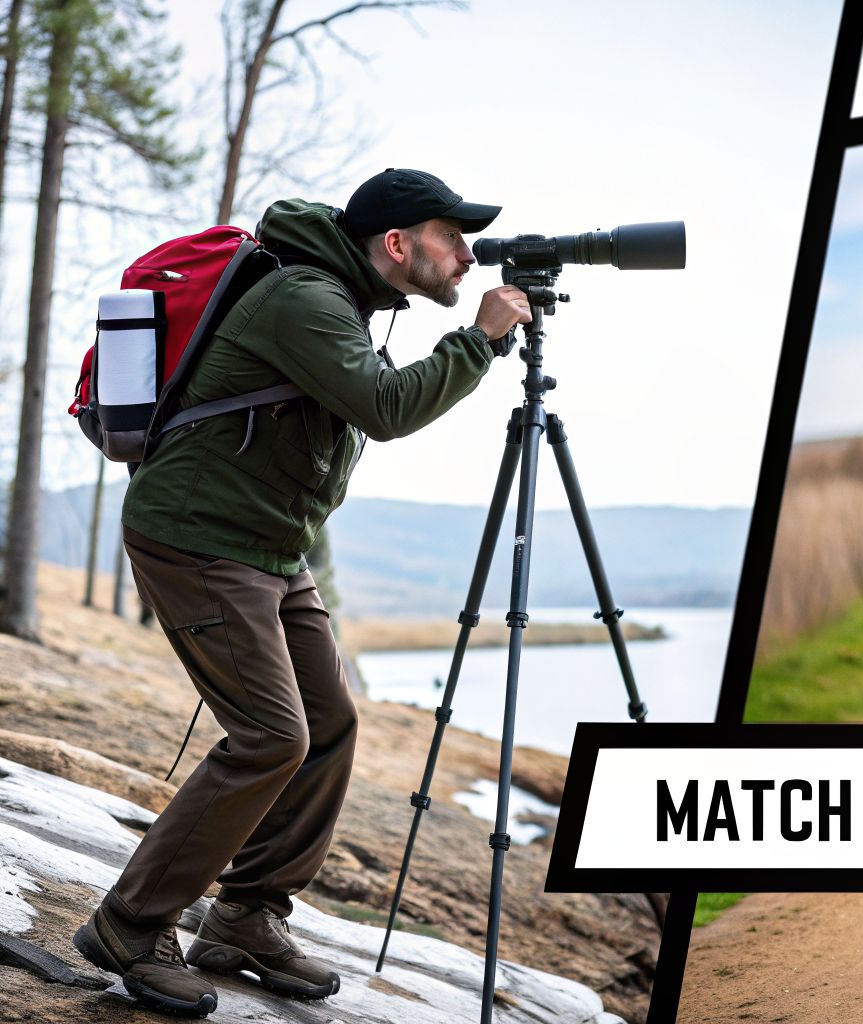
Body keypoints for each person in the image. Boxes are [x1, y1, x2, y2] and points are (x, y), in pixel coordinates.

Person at [72, 168, 533, 1015]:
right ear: (398, 245)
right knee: (270, 737)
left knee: (330, 725)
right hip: (199, 538)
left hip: (271, 549)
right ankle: (129, 925)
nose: (467, 254)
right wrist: (480, 341)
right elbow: (386, 408)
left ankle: (246, 916)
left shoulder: (343, 299)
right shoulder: (307, 300)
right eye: (451, 235)